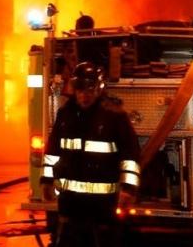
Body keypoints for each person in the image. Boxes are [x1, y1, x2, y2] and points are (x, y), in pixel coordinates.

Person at [41, 62, 141, 246]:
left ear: (98, 88)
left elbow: (131, 156)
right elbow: (52, 151)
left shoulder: (114, 116)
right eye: (80, 89)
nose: (84, 95)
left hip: (102, 205)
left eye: (89, 89)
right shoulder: (65, 114)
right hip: (70, 203)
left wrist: (128, 189)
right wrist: (46, 181)